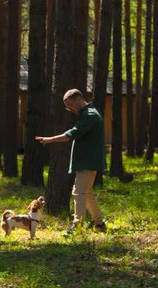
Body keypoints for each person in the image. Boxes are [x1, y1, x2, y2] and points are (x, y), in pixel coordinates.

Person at [35, 89, 107, 234]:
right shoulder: (87, 114)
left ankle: (77, 226)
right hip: (86, 161)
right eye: (67, 106)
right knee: (86, 192)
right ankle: (99, 224)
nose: (70, 109)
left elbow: (70, 135)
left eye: (71, 105)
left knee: (78, 192)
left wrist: (50, 139)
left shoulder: (90, 115)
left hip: (88, 162)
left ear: (79, 99)